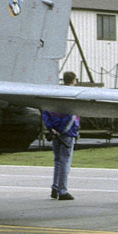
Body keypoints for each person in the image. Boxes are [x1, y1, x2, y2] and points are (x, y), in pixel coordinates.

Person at [42, 72, 80, 200]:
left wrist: (51, 128)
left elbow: (45, 111)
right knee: (65, 161)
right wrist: (62, 130)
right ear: (74, 80)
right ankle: (62, 190)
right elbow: (72, 115)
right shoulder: (74, 94)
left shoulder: (56, 92)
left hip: (54, 131)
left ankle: (55, 187)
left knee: (58, 160)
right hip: (67, 132)